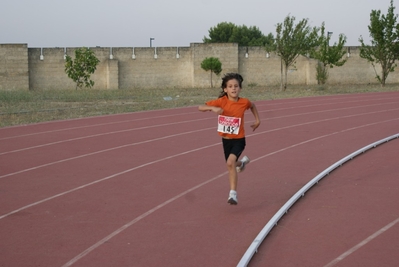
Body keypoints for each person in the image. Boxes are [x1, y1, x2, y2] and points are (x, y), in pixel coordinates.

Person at [198, 73, 261, 205]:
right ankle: (242, 164)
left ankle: (233, 194)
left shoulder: (244, 102)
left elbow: (252, 106)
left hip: (239, 139)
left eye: (236, 86)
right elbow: (200, 107)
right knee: (232, 163)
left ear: (240, 88)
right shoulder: (221, 102)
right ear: (225, 89)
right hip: (226, 140)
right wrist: (212, 108)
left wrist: (257, 120)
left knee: (230, 163)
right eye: (230, 86)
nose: (233, 89)